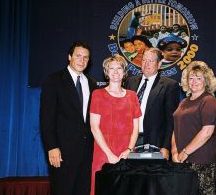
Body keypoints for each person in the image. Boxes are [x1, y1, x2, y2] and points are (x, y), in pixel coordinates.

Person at [40, 41, 97, 195]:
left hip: (87, 152)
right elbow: (46, 118)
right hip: (62, 152)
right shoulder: (53, 80)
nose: (82, 60)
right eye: (78, 56)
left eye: (86, 57)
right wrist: (52, 147)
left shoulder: (92, 84)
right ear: (69, 57)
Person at [90, 54, 141, 195]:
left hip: (127, 154)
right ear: (106, 72)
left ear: (124, 72)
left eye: (119, 68)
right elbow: (94, 127)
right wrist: (109, 154)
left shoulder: (132, 96)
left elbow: (136, 127)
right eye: (111, 68)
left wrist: (129, 150)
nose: (115, 71)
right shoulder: (97, 94)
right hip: (103, 153)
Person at [171, 61, 216, 195]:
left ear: (206, 81)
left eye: (199, 78)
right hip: (183, 162)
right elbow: (176, 129)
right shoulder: (183, 102)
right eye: (191, 78)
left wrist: (185, 152)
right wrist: (174, 151)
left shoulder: (209, 101)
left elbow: (207, 132)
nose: (194, 82)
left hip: (203, 164)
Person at [125, 48, 180, 159]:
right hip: (129, 141)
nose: (146, 64)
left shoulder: (169, 85)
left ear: (159, 64)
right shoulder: (130, 82)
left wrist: (165, 147)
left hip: (155, 143)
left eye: (151, 61)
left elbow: (171, 120)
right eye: (144, 60)